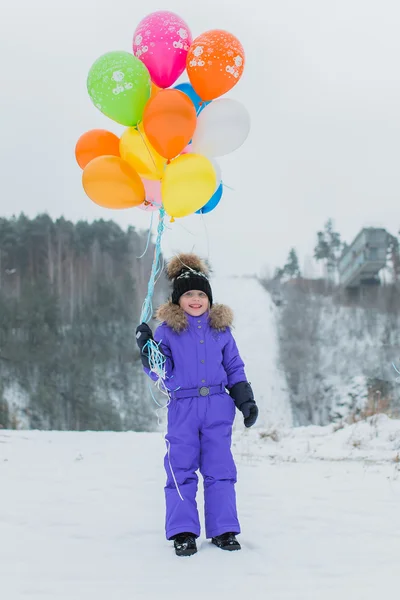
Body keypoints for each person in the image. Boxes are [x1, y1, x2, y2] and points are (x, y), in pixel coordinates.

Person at [136, 253, 258, 557]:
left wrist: (244, 399)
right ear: (178, 299)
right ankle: (183, 531)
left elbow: (234, 366)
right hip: (183, 407)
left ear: (209, 299)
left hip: (217, 404)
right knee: (181, 468)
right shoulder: (167, 330)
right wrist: (146, 348)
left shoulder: (221, 330)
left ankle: (223, 529)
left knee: (220, 468)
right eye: (188, 294)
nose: (195, 299)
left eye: (200, 294)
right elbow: (158, 370)